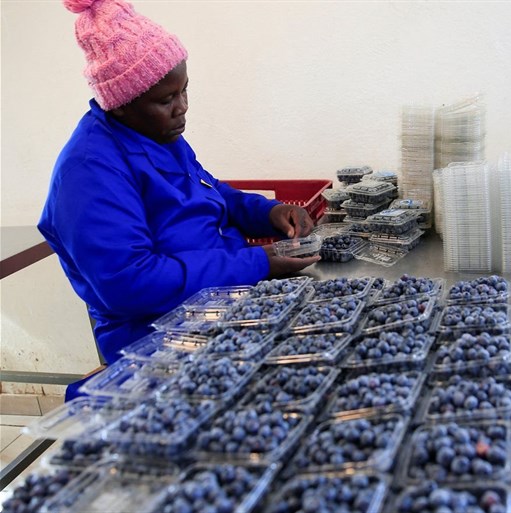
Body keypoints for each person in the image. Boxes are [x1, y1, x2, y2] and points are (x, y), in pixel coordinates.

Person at [38, 0, 320, 370]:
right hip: (160, 341)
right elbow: (131, 283)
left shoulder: (157, 134)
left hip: (226, 307)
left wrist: (268, 212)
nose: (182, 106)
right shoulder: (89, 172)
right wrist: (255, 263)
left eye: (184, 90)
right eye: (167, 99)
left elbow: (210, 191)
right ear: (120, 103)